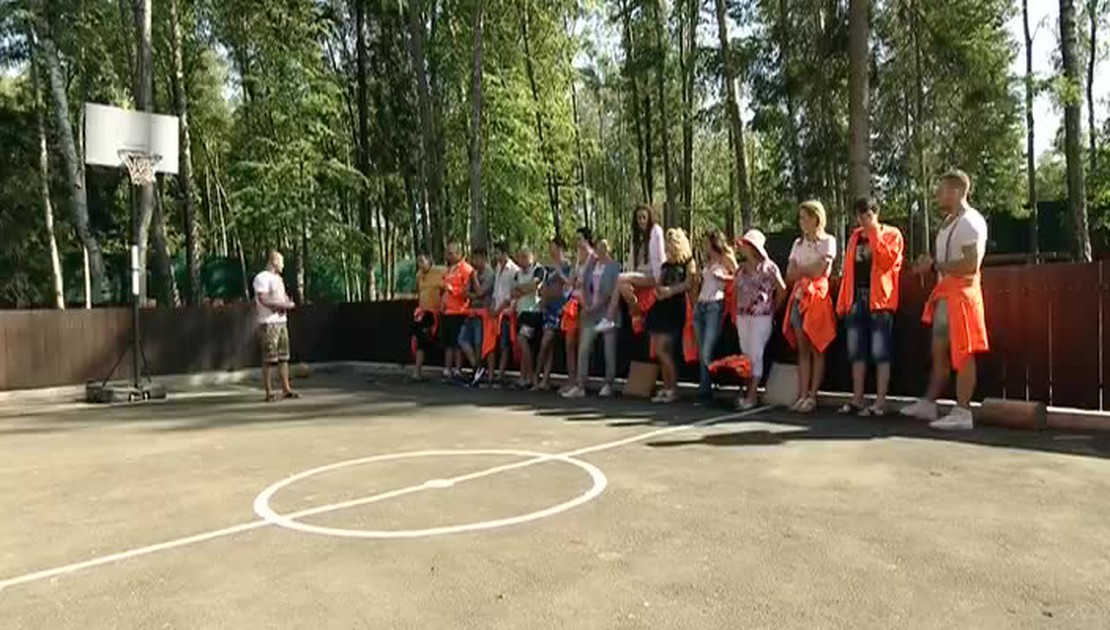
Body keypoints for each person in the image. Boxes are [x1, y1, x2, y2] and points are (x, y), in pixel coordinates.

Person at [901, 169, 990, 430]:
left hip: (962, 296)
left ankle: (963, 412)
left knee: (964, 353)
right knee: (939, 351)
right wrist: (928, 265)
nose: (937, 195)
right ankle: (929, 403)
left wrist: (935, 266)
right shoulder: (948, 222)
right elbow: (943, 262)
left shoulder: (971, 222)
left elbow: (971, 264)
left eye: (942, 191)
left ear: (957, 191)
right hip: (944, 294)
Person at [835, 197, 905, 416]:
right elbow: (848, 272)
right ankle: (857, 399)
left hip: (880, 301)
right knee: (856, 351)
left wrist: (874, 233)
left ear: (876, 213)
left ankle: (880, 402)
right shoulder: (855, 238)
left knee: (880, 351)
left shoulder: (892, 234)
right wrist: (844, 301)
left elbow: (887, 262)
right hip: (856, 299)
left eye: (867, 214)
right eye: (860, 215)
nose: (863, 219)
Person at [784, 200, 837, 413]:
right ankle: (803, 394)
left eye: (805, 218)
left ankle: (813, 396)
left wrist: (803, 270)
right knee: (802, 349)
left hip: (817, 299)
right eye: (800, 218)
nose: (801, 222)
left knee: (817, 346)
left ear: (816, 218)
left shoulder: (828, 241)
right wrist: (808, 269)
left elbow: (821, 271)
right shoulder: (797, 244)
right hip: (799, 298)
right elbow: (790, 273)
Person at [733, 229, 787, 410]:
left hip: (761, 317)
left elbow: (782, 290)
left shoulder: (769, 267)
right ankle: (749, 392)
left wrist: (772, 308)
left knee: (756, 354)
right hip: (743, 316)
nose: (742, 247)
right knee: (746, 355)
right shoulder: (740, 269)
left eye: (745, 244)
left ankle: (752, 396)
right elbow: (735, 292)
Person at [562, 238, 621, 399]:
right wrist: (586, 304)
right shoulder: (591, 265)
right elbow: (582, 285)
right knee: (583, 347)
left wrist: (597, 306)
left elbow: (612, 292)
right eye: (598, 248)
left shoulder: (614, 267)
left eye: (604, 248)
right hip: (590, 312)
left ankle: (608, 383)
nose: (600, 251)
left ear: (608, 249)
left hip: (607, 313)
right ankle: (580, 385)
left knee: (609, 349)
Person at [595, 204, 665, 332]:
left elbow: (660, 259)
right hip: (638, 276)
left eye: (644, 217)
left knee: (619, 277)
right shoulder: (637, 239)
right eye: (639, 218)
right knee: (622, 286)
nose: (641, 221)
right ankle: (637, 313)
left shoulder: (656, 232)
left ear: (649, 218)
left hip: (652, 275)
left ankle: (609, 318)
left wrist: (660, 280)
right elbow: (631, 263)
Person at [645, 228, 696, 403]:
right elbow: (659, 283)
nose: (668, 247)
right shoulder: (665, 266)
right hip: (661, 308)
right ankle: (666, 386)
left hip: (675, 308)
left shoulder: (688, 263)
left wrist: (671, 291)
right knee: (660, 351)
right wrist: (659, 292)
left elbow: (688, 284)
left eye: (671, 243)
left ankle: (673, 388)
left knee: (664, 350)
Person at [693, 229, 739, 403]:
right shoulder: (707, 260)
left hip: (715, 304)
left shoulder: (725, 258)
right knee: (701, 350)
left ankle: (707, 389)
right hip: (701, 304)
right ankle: (704, 388)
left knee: (707, 350)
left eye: (707, 242)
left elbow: (739, 277)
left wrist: (725, 277)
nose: (704, 246)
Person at [253, 250, 299, 402]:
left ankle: (286, 389)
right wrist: (282, 305)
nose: (283, 265)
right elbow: (263, 299)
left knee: (283, 357)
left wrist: (288, 303)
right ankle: (269, 392)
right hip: (268, 323)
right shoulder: (262, 278)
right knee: (269, 359)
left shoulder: (279, 279)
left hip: (281, 322)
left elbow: (283, 297)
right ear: (274, 261)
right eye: (281, 262)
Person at [559, 227, 596, 394]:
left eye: (580, 238)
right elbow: (571, 281)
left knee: (582, 345)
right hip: (573, 303)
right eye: (576, 239)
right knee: (569, 343)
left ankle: (581, 385)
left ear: (587, 240)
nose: (577, 242)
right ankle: (572, 380)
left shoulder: (593, 258)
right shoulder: (577, 259)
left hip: (587, 304)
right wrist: (568, 282)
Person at [535, 236, 573, 391]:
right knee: (546, 344)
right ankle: (542, 379)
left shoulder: (567, 267)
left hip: (562, 309)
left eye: (554, 248)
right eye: (550, 248)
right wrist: (543, 299)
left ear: (560, 248)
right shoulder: (548, 269)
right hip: (549, 309)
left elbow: (565, 287)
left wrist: (558, 277)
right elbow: (543, 288)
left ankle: (540, 377)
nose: (551, 251)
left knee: (553, 342)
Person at [459, 246, 496, 386]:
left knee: (478, 343)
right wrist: (472, 293)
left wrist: (474, 279)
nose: (474, 262)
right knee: (462, 339)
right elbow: (465, 292)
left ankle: (479, 372)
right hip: (471, 311)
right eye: (473, 259)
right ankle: (476, 366)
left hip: (483, 313)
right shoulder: (472, 273)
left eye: (476, 259)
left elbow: (480, 292)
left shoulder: (489, 274)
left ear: (483, 259)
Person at [439, 242, 474, 381]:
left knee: (457, 342)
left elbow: (467, 291)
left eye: (451, 253)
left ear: (459, 254)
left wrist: (453, 290)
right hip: (447, 311)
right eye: (447, 253)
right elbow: (444, 289)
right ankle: (447, 369)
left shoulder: (466, 269)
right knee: (448, 342)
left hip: (459, 311)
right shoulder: (448, 270)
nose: (448, 256)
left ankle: (458, 369)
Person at [511, 246, 544, 388]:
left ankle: (531, 376)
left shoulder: (538, 269)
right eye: (520, 257)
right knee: (523, 345)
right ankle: (523, 376)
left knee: (522, 339)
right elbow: (513, 292)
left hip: (532, 312)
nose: (522, 260)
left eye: (525, 257)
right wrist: (525, 289)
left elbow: (535, 286)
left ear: (532, 257)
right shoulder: (517, 274)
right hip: (520, 312)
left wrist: (522, 289)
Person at [411, 251, 445, 381]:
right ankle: (417, 371)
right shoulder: (419, 275)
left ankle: (418, 371)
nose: (420, 264)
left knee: (429, 342)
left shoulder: (440, 271)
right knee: (419, 342)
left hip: (434, 313)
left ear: (429, 260)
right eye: (418, 261)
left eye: (422, 261)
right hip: (422, 313)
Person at [490, 241, 520, 387]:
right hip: (496, 312)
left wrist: (500, 309)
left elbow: (511, 295)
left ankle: (501, 372)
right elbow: (496, 290)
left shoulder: (513, 270)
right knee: (495, 342)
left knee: (505, 343)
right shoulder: (497, 267)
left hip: (507, 313)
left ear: (504, 253)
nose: (496, 256)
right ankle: (496, 371)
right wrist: (493, 306)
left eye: (498, 253)